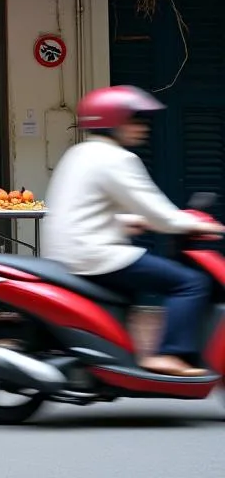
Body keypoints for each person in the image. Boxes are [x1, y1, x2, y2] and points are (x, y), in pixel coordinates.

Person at [45, 85, 225, 378]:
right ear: (115, 121)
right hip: (95, 255)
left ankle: (121, 355)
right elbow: (159, 213)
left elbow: (86, 209)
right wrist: (200, 224)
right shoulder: (117, 159)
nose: (142, 127)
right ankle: (170, 354)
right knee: (190, 282)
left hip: (71, 251)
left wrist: (128, 221)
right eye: (135, 120)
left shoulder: (79, 153)